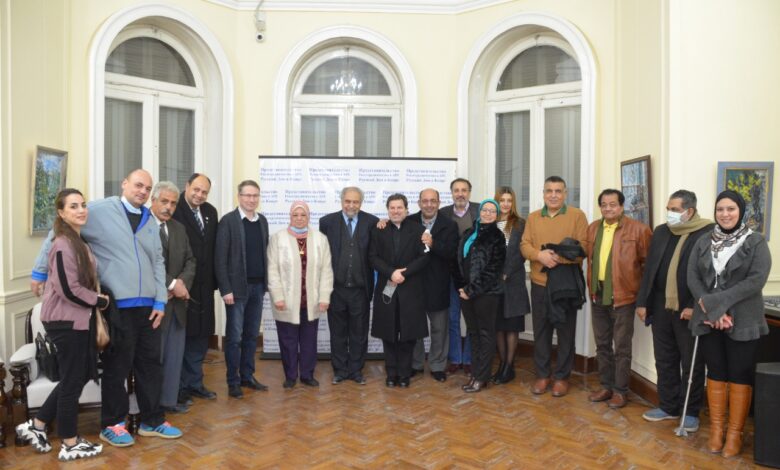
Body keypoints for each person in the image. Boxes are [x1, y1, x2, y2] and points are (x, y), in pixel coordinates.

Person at [31, 169, 182, 447]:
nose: (142, 191)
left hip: (149, 308)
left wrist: (160, 299)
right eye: (138, 185)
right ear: (124, 184)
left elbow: (158, 261)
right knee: (117, 367)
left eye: (147, 188)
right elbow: (58, 231)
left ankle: (152, 420)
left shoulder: (150, 219)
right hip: (116, 307)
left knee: (151, 366)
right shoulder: (99, 210)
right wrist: (39, 271)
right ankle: (112, 424)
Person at [17, 189, 108, 460]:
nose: (81, 210)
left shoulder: (77, 241)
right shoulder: (62, 245)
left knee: (76, 377)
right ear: (61, 213)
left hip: (76, 319)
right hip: (65, 321)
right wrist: (99, 301)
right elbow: (69, 289)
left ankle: (38, 424)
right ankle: (69, 441)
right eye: (73, 206)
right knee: (72, 381)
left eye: (82, 205)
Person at [688, 190, 771, 458]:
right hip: (709, 320)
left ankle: (735, 434)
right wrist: (713, 310)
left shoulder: (755, 241)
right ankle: (717, 430)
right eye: (720, 209)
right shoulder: (703, 241)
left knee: (739, 374)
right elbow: (692, 278)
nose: (725, 214)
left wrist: (717, 305)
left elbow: (755, 281)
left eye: (731, 209)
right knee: (716, 372)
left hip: (743, 318)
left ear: (741, 211)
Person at [636, 190, 713, 432]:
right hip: (660, 305)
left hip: (688, 307)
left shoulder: (707, 233)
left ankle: (690, 411)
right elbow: (650, 270)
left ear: (689, 211)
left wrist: (694, 306)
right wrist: (642, 302)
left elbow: (709, 275)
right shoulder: (662, 231)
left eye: (675, 210)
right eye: (668, 209)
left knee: (691, 361)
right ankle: (668, 406)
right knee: (664, 358)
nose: (670, 213)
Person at [520, 176, 588, 398]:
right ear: (543, 193)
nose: (553, 195)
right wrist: (539, 255)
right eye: (549, 191)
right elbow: (524, 245)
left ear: (565, 194)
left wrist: (558, 257)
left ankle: (561, 378)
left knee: (566, 332)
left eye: (558, 191)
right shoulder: (533, 217)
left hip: (565, 286)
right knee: (541, 331)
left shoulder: (577, 216)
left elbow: (584, 247)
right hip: (540, 284)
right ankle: (542, 375)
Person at [584, 189, 651, 408]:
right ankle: (606, 386)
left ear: (622, 206)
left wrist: (643, 299)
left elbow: (648, 267)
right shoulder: (593, 228)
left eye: (613, 204)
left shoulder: (639, 230)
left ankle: (620, 391)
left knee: (621, 347)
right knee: (602, 344)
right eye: (604, 205)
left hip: (624, 297)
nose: (608, 209)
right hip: (598, 295)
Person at [267, 201, 333, 389]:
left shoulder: (320, 239)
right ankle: (290, 376)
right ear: (290, 216)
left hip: (312, 301)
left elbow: (326, 270)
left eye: (303, 215)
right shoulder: (277, 238)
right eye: (295, 215)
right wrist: (277, 296)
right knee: (288, 341)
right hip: (286, 302)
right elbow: (272, 270)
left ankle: (307, 374)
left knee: (309, 341)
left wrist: (324, 297)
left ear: (308, 217)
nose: (299, 218)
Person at [215, 179, 270, 398]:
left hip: (258, 287)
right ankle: (233, 381)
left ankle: (247, 376)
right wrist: (225, 289)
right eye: (247, 195)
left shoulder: (262, 221)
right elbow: (220, 258)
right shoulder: (228, 221)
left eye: (255, 195)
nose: (251, 199)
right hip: (236, 290)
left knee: (251, 336)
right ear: (239, 197)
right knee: (234, 338)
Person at [319, 187, 379, 385]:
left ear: (361, 203)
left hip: (360, 290)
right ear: (341, 201)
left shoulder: (372, 222)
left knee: (359, 333)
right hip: (335, 289)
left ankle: (356, 370)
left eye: (355, 202)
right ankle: (340, 370)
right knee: (337, 333)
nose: (351, 205)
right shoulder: (327, 222)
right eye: (348, 201)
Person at [369, 194, 429, 388]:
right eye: (392, 208)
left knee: (408, 334)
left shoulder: (419, 230)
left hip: (410, 287)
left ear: (406, 209)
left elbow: (424, 257)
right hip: (387, 286)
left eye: (399, 207)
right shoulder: (378, 229)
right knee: (388, 332)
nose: (396, 211)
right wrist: (391, 273)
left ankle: (404, 374)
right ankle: (391, 373)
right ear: (388, 210)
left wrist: (404, 273)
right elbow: (373, 257)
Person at [149, 182, 196, 414]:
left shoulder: (178, 228)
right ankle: (151, 404)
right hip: (152, 306)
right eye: (164, 201)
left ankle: (169, 401)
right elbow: (146, 263)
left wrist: (181, 284)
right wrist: (170, 284)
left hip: (177, 304)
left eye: (173, 203)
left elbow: (190, 260)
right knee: (153, 358)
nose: (169, 207)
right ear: (153, 201)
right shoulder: (142, 227)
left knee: (174, 356)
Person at [173, 173, 219, 403]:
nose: (200, 195)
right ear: (187, 186)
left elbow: (213, 249)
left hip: (205, 286)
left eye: (204, 192)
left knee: (201, 336)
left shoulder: (210, 212)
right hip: (182, 286)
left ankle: (195, 383)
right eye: (196, 190)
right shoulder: (175, 209)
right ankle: (179, 387)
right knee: (182, 338)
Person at [408, 188, 459, 382]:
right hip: (414, 284)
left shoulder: (450, 225)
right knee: (415, 328)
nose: (429, 205)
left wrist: (433, 243)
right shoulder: (409, 221)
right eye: (425, 201)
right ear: (419, 203)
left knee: (439, 328)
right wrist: (383, 222)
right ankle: (416, 364)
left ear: (438, 203)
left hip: (438, 283)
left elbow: (451, 253)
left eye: (433, 201)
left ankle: (437, 365)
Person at [456, 199, 506, 393]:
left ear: (496, 215)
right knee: (473, 333)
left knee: (486, 334)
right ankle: (475, 374)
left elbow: (493, 270)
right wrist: (462, 287)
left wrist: (471, 290)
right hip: (466, 293)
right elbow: (459, 261)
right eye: (485, 210)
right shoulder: (469, 233)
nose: (487, 213)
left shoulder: (497, 236)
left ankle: (482, 378)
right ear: (479, 212)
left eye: (492, 211)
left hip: (487, 294)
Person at [440, 178, 478, 375]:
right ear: (452, 193)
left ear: (469, 192)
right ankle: (455, 359)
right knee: (453, 318)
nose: (460, 194)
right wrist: (384, 221)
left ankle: (469, 359)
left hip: (474, 276)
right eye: (456, 190)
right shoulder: (443, 213)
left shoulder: (480, 210)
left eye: (464, 190)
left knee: (472, 318)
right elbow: (419, 221)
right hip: (450, 275)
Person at [492, 187, 530, 384]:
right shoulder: (490, 222)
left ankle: (509, 366)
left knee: (512, 326)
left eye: (509, 200)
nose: (505, 204)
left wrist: (506, 272)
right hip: (494, 283)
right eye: (502, 200)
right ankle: (502, 365)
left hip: (513, 282)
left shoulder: (520, 224)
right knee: (498, 326)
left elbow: (522, 253)